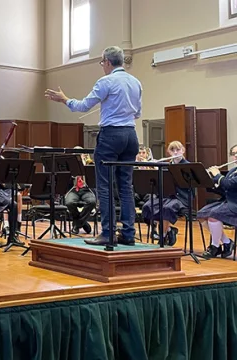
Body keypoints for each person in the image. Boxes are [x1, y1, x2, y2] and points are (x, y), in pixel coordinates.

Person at [45, 46, 141, 246]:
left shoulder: (106, 81)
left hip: (111, 135)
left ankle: (108, 233)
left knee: (104, 186)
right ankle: (129, 234)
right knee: (126, 186)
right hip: (131, 134)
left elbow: (83, 106)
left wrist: (64, 100)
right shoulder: (136, 82)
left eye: (102, 63)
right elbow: (138, 112)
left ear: (106, 61)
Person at [142, 141, 189, 246]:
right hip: (166, 196)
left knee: (167, 208)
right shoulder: (166, 165)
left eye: (178, 150)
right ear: (169, 152)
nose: (176, 152)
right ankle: (168, 231)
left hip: (181, 198)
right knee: (148, 206)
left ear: (183, 150)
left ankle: (162, 236)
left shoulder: (188, 166)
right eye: (173, 150)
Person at [198, 144, 237, 258]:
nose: (236, 156)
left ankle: (214, 247)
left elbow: (228, 184)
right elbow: (225, 188)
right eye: (234, 154)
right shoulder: (233, 170)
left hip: (235, 204)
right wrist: (210, 181)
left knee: (214, 215)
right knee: (201, 214)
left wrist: (217, 175)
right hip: (228, 201)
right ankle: (227, 242)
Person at [64, 147, 96, 234]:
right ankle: (83, 223)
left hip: (87, 189)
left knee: (92, 202)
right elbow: (64, 180)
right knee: (69, 203)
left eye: (80, 154)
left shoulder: (89, 164)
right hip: (73, 189)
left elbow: (93, 179)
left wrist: (85, 166)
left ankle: (77, 224)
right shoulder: (68, 166)